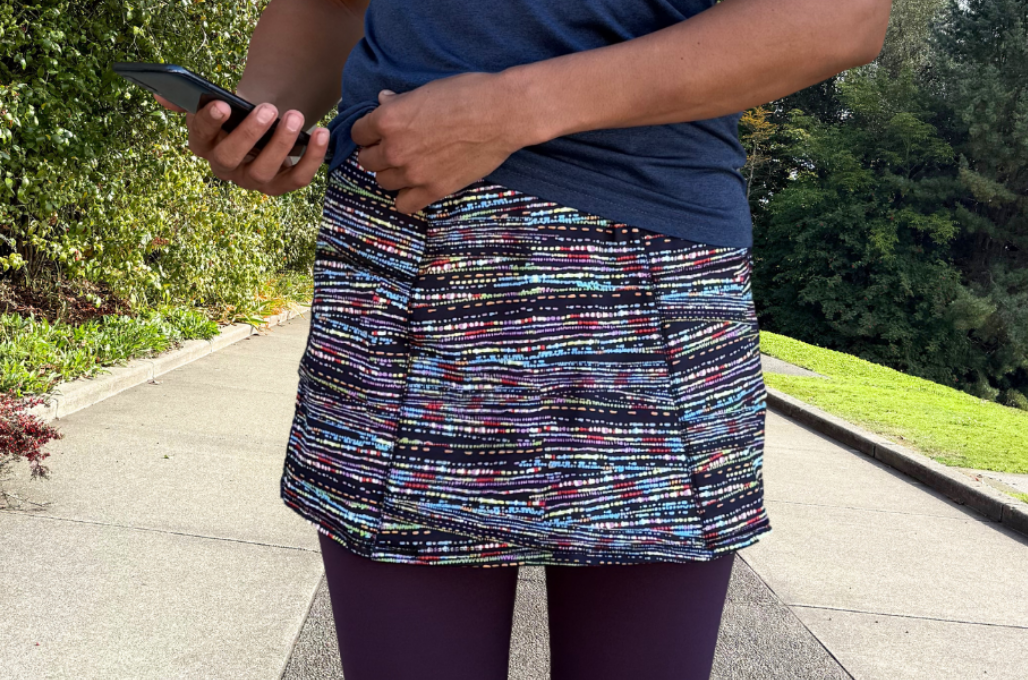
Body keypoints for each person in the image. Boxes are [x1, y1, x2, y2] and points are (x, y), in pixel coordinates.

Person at [157, 1, 892, 678]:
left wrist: (516, 107)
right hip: (400, 256)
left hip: (643, 272)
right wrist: (264, 116)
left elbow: (838, 17)